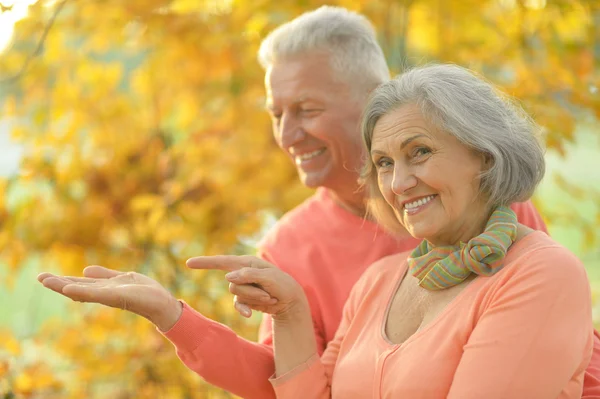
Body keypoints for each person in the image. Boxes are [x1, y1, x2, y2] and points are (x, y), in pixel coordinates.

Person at [36, 6, 600, 399]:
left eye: (305, 110)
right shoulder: (313, 254)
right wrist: (175, 317)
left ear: (370, 100)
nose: (287, 135)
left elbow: (566, 344)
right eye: (276, 114)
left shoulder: (491, 213)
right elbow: (295, 382)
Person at [191, 64, 595, 398]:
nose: (399, 184)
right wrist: (289, 311)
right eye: (384, 163)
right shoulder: (379, 282)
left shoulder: (541, 273)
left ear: (485, 156)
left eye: (419, 152)